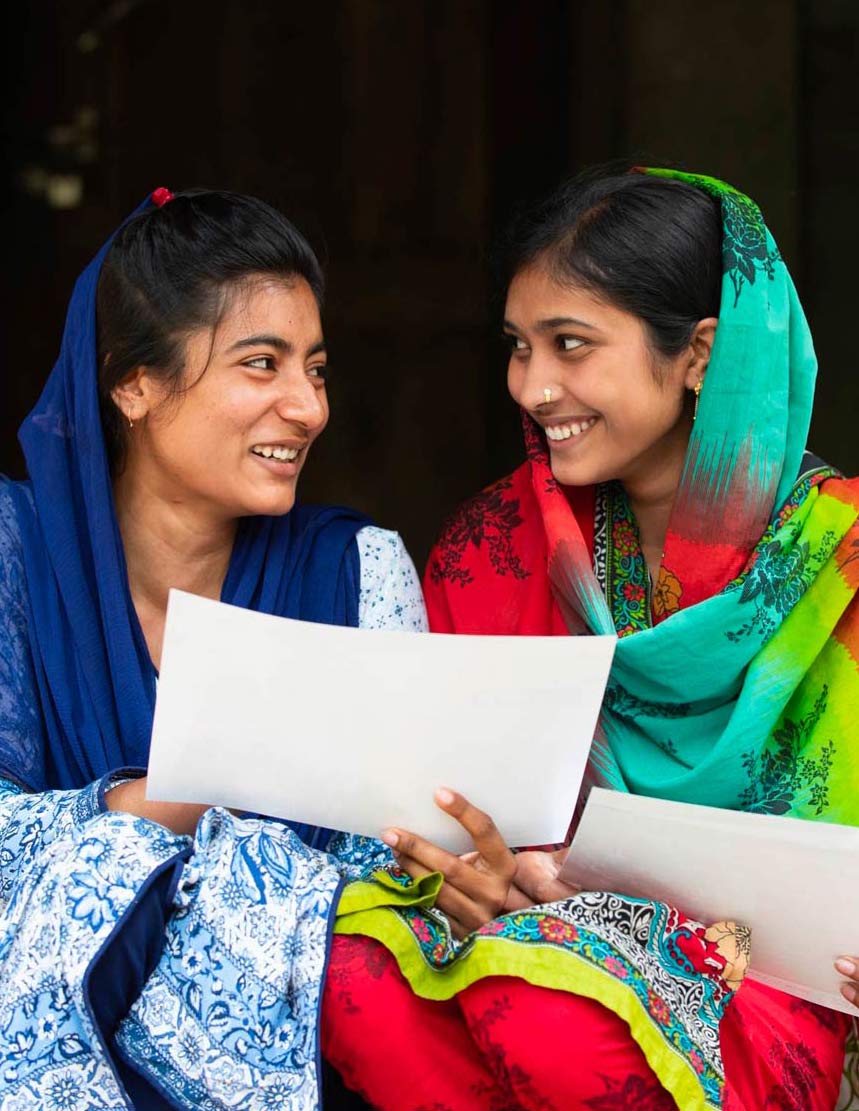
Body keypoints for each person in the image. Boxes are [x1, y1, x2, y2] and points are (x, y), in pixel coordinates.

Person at [321, 169, 859, 1110]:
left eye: (570, 346)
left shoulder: (840, 565)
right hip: (517, 949)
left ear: (698, 353)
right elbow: (439, 809)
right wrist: (476, 875)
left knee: (550, 1004)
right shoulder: (491, 549)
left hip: (769, 994)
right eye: (519, 348)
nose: (531, 387)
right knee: (354, 970)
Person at [0, 187, 427, 1109]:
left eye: (314, 367)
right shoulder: (14, 552)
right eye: (260, 364)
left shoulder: (359, 573)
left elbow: (391, 873)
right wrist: (152, 807)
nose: (308, 406)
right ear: (133, 382)